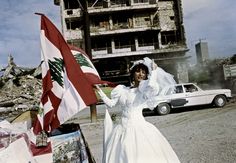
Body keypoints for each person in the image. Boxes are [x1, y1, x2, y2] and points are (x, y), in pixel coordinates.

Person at [95, 57, 180, 163]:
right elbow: (111, 104)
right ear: (132, 74)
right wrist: (100, 92)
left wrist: (153, 72)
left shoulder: (143, 92)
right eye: (138, 71)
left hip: (138, 128)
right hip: (121, 128)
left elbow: (152, 87)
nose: (140, 74)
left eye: (143, 72)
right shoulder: (122, 89)